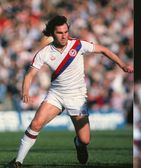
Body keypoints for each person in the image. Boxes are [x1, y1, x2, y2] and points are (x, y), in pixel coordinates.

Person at [5, 15, 133, 168]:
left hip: (77, 97)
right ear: (52, 33)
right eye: (60, 32)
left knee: (85, 139)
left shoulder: (78, 45)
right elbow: (30, 74)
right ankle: (18, 161)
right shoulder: (44, 52)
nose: (64, 35)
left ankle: (79, 144)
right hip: (56, 95)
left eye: (66, 31)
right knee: (36, 124)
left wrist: (122, 65)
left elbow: (104, 50)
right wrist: (25, 91)